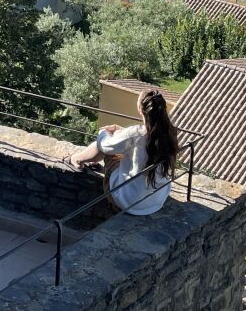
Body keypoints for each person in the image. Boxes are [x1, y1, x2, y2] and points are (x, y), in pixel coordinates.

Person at [65, 87, 181, 215]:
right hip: (155, 201)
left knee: (108, 149)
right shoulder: (171, 132)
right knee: (121, 146)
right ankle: (86, 161)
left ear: (140, 109)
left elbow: (105, 145)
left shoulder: (136, 134)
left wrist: (104, 132)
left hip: (129, 201)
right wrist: (121, 132)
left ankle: (76, 159)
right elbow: (139, 141)